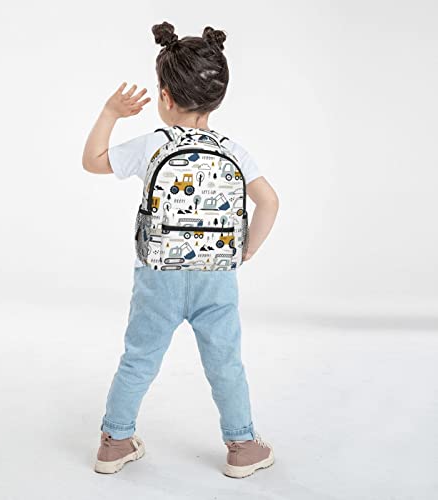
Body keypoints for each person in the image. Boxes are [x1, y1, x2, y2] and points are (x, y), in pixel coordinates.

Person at [82, 21, 279, 479]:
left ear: (165, 97)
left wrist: (111, 112)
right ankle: (242, 446)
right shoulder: (233, 150)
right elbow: (269, 201)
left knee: (139, 357)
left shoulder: (155, 144)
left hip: (158, 275)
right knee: (225, 362)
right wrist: (246, 249)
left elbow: (92, 161)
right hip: (217, 277)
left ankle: (115, 442)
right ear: (218, 96)